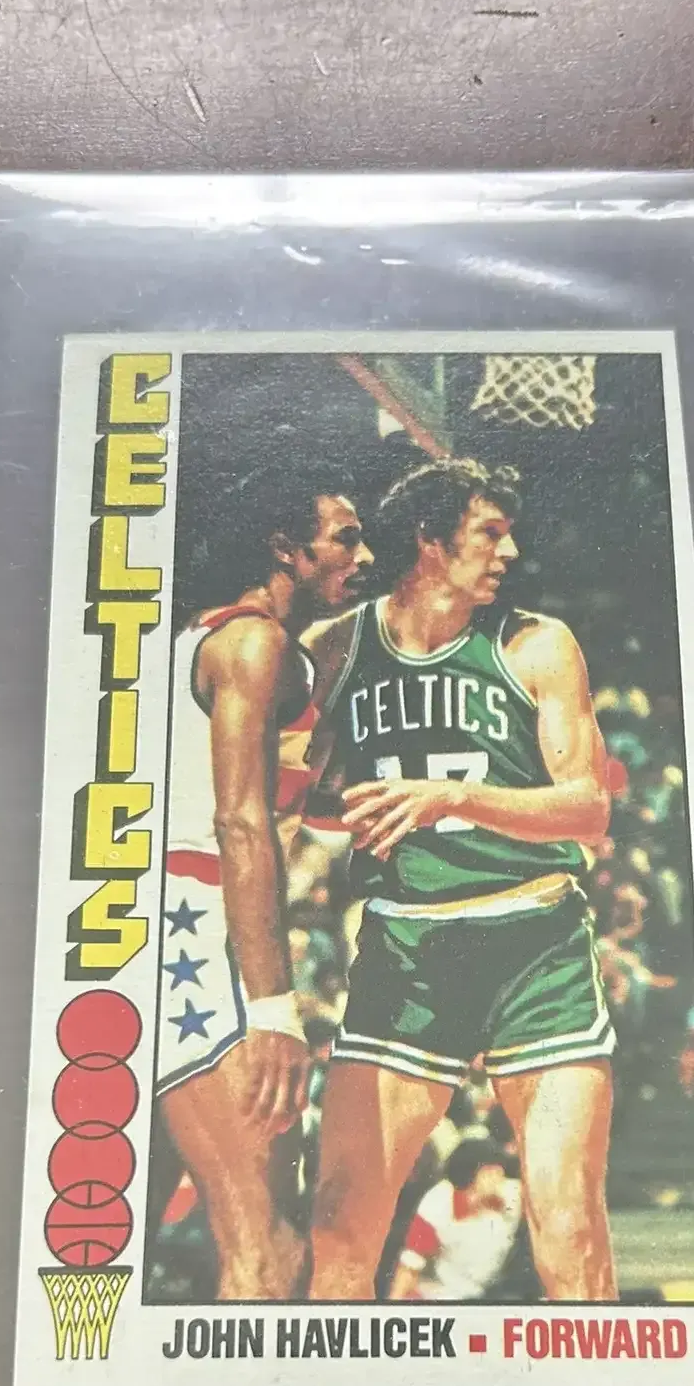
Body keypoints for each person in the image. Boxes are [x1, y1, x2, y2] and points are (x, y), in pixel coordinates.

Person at [303, 457, 618, 1302]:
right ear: (430, 542)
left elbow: (589, 809)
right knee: (339, 1223)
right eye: (490, 532)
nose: (509, 551)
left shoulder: (537, 644)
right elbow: (295, 789)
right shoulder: (336, 649)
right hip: (409, 944)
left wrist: (452, 797)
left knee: (568, 1225)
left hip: (534, 941)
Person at [156, 463, 373, 1298]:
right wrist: (275, 1010)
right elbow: (240, 824)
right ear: (287, 548)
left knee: (146, 1244)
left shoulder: (214, 637)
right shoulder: (254, 642)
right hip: (191, 926)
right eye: (345, 538)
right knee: (268, 1248)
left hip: (156, 922)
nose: (363, 555)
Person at [387, 1139, 523, 1301]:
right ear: (469, 1174)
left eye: (500, 1172)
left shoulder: (513, 1194)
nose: (498, 1178)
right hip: (449, 1290)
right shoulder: (438, 1201)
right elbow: (411, 1262)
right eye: (489, 1172)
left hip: (502, 1290)